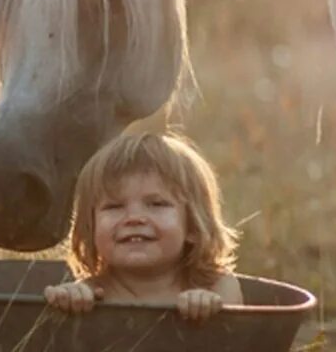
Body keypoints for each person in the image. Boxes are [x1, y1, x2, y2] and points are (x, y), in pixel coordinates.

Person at [44, 132, 242, 320]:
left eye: (157, 204)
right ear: (91, 227)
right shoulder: (90, 293)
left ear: (193, 226)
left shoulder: (217, 286)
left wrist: (211, 310)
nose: (134, 218)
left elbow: (233, 345)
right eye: (114, 206)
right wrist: (66, 300)